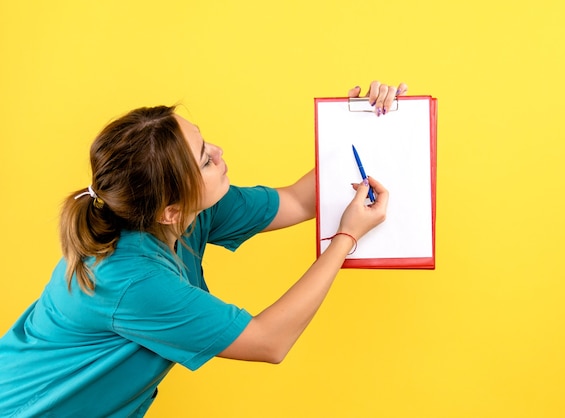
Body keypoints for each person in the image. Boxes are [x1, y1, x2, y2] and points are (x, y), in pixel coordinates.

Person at [0, 81, 407, 417]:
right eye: (205, 159)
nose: (219, 152)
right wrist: (345, 240)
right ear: (169, 210)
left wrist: (358, 127)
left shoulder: (192, 213)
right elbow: (269, 342)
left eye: (205, 142)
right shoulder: (132, 280)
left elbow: (300, 201)